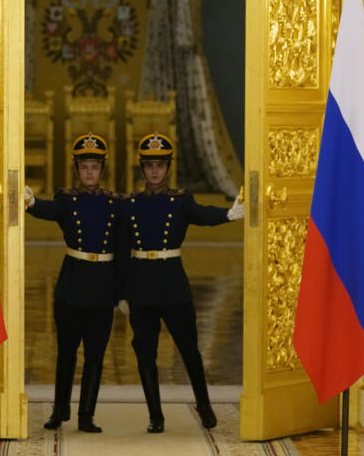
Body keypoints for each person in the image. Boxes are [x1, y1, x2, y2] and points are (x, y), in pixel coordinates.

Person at [118, 132, 243, 433]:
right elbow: (121, 251)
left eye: (160, 165)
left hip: (173, 286)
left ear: (169, 167)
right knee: (145, 353)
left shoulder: (181, 200)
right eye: (150, 166)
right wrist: (120, 293)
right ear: (142, 168)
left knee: (189, 349)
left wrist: (229, 214)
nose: (155, 171)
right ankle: (155, 416)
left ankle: (204, 404)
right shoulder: (130, 204)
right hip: (141, 288)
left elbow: (202, 214)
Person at [24, 133, 119, 433]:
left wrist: (123, 291)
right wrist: (30, 200)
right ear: (76, 170)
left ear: (102, 171)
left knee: (95, 356)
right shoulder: (68, 200)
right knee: (66, 353)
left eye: (94, 166)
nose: (89, 172)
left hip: (103, 289)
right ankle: (59, 411)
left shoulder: (115, 204)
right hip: (72, 287)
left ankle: (86, 415)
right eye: (84, 166)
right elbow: (48, 209)